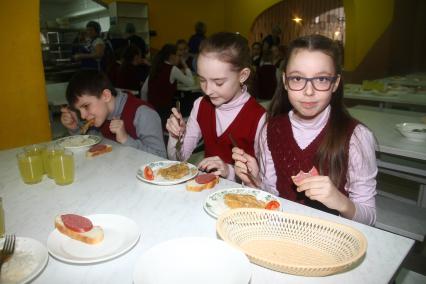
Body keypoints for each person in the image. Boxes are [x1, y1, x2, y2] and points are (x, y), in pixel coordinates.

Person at [232, 35, 377, 225]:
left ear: (335, 83)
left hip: (331, 235)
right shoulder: (271, 129)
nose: (309, 91)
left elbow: (370, 218)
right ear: (285, 81)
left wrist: (340, 201)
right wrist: (256, 181)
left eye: (322, 79)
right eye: (298, 78)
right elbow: (274, 195)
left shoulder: (356, 137)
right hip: (282, 228)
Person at [166, 32, 266, 181]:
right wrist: (175, 137)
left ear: (242, 75)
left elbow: (264, 182)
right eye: (202, 80)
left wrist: (229, 171)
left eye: (218, 82)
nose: (207, 90)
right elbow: (179, 160)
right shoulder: (201, 105)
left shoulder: (259, 117)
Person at [60, 70, 166, 158]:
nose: (83, 116)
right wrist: (74, 128)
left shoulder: (143, 113)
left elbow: (161, 156)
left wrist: (125, 139)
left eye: (86, 106)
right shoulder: (102, 115)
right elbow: (94, 142)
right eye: (79, 110)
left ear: (106, 96)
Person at [141, 44, 194, 126]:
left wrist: (146, 108)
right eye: (178, 55)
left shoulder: (155, 67)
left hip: (152, 109)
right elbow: (191, 82)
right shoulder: (172, 69)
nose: (179, 58)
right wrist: (184, 64)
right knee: (192, 100)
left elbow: (144, 90)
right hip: (165, 111)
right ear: (172, 56)